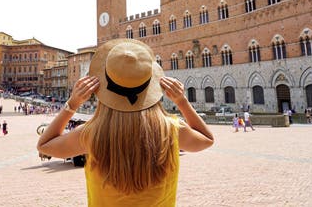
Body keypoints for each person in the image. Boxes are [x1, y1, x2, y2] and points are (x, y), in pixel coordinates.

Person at [37, 39, 214, 206]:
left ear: (103, 88)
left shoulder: (92, 134)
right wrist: (182, 101)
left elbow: (44, 145)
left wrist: (72, 103)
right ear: (150, 84)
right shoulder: (171, 129)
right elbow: (207, 139)